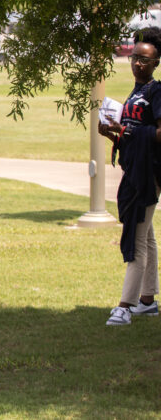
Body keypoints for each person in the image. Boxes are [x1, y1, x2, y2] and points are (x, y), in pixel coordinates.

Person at [99, 26, 161, 326]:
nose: (138, 63)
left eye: (145, 60)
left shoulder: (156, 91)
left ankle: (125, 306)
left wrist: (127, 130)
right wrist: (113, 133)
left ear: (156, 63)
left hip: (148, 175)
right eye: (135, 57)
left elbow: (156, 134)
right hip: (134, 168)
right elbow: (131, 138)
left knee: (136, 237)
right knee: (146, 237)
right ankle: (147, 300)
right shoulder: (136, 91)